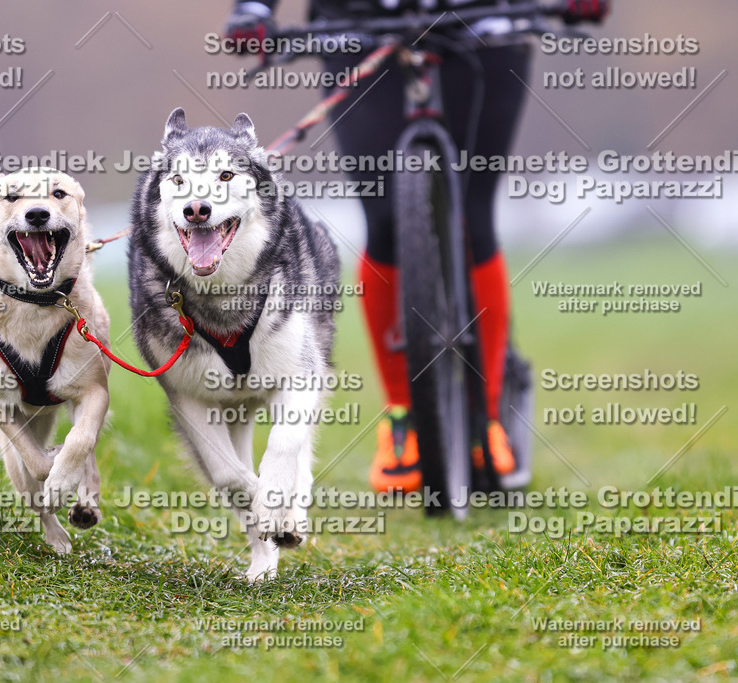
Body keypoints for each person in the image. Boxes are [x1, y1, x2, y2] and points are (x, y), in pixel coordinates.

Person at [225, 0, 607, 492]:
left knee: (474, 216)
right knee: (382, 221)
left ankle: (488, 419)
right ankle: (401, 419)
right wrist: (253, 11)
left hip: (486, 23)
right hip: (358, 28)